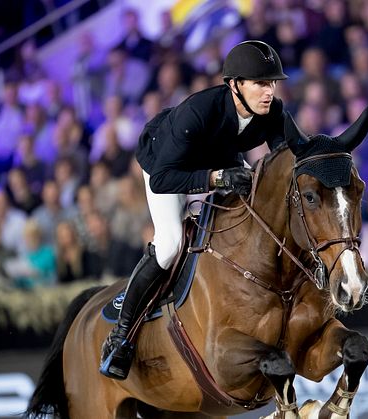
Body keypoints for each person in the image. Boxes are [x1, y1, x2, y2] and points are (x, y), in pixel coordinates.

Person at [100, 40, 289, 380]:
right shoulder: (196, 111)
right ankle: (121, 336)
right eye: (261, 83)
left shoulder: (270, 111)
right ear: (234, 85)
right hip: (167, 163)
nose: (269, 91)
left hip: (217, 154)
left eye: (272, 83)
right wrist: (217, 178)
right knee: (172, 242)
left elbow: (291, 155)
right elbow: (162, 179)